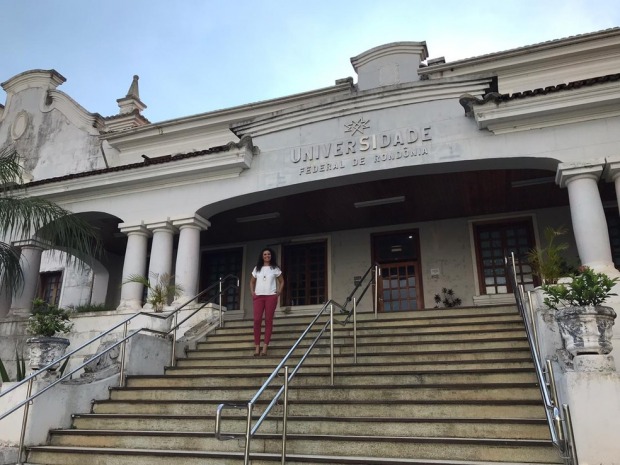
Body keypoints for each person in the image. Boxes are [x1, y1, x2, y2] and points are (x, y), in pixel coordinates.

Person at [250, 247, 284, 356]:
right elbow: (251, 282)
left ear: (271, 256)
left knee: (268, 320)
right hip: (258, 297)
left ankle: (265, 347)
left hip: (271, 297)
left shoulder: (275, 268)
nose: (267, 256)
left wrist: (278, 293)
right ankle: (257, 347)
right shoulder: (257, 268)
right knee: (257, 320)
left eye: (268, 254)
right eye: (265, 254)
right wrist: (252, 293)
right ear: (262, 256)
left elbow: (282, 281)